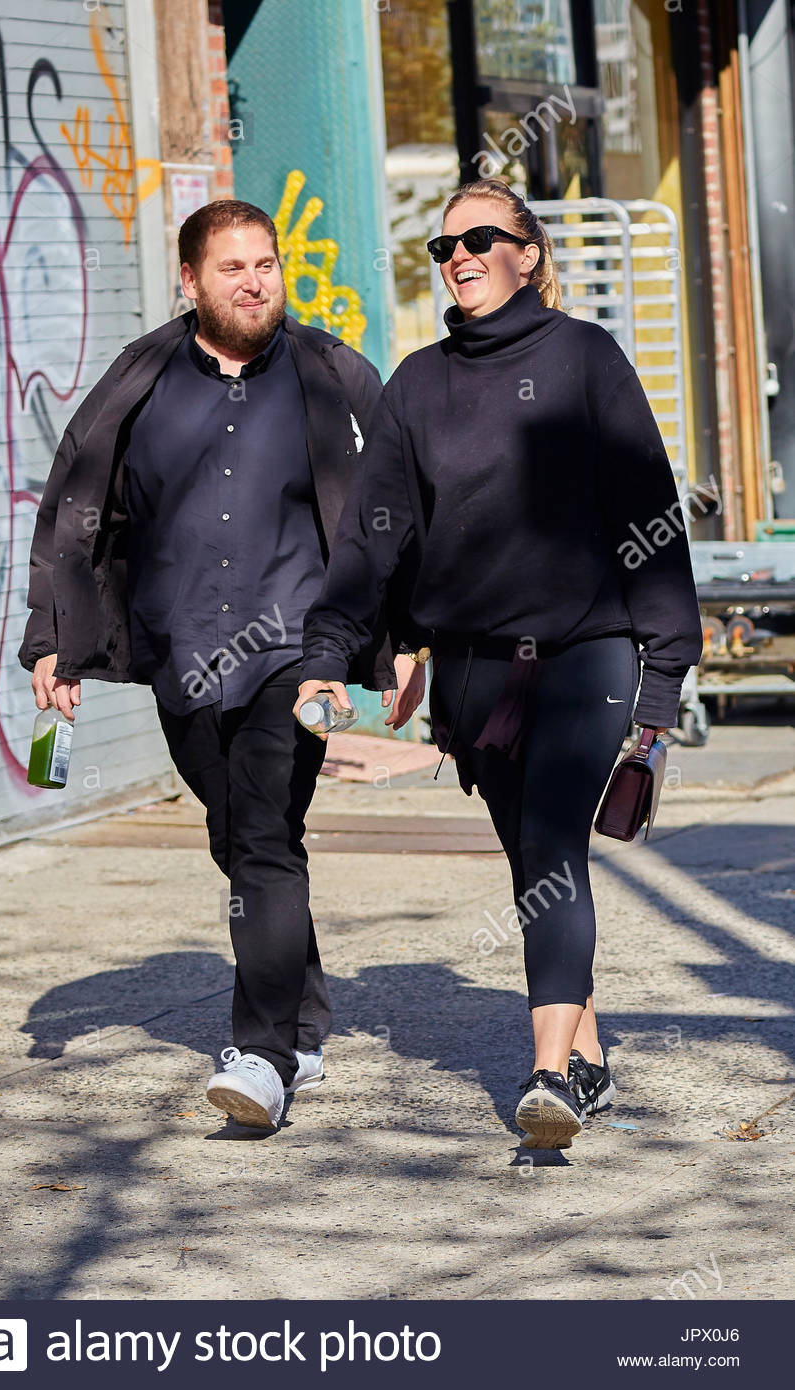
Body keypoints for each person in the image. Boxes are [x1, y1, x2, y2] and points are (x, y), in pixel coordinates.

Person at [295, 178, 703, 1150]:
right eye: (442, 248)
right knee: (534, 861)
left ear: (528, 251)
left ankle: (547, 1076)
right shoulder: (417, 385)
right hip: (473, 673)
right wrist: (343, 651)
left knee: (553, 847)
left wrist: (662, 674)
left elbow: (647, 518)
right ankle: (590, 1059)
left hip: (584, 654)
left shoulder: (584, 360)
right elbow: (372, 539)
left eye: (479, 238)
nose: (459, 257)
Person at [19, 199, 420, 1131]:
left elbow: (393, 515)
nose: (254, 281)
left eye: (267, 265)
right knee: (237, 838)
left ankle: (263, 1053)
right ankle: (308, 1017)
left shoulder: (332, 376)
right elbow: (74, 504)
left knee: (267, 836)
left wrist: (402, 638)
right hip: (184, 653)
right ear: (190, 282)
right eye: (232, 267)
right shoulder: (141, 379)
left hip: (298, 654)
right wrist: (54, 639)